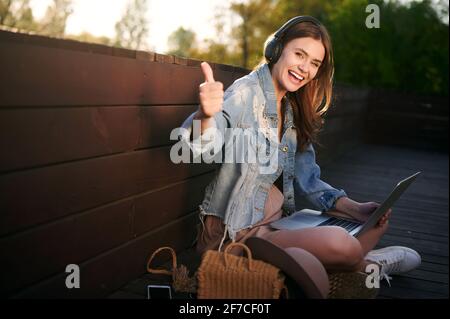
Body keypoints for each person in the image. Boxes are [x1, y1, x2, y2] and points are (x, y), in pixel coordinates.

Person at [179, 16, 420, 285]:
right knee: (344, 245)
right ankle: (367, 264)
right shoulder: (246, 93)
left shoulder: (291, 109)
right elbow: (201, 144)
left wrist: (356, 209)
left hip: (279, 224)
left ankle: (347, 260)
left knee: (375, 223)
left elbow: (308, 179)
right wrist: (204, 114)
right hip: (240, 236)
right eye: (299, 54)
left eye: (314, 63)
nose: (304, 68)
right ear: (276, 49)